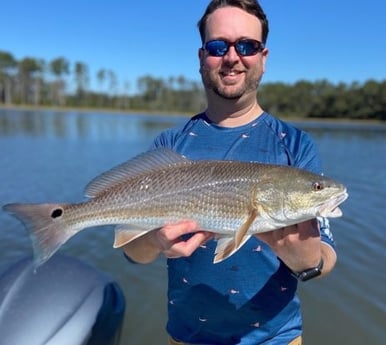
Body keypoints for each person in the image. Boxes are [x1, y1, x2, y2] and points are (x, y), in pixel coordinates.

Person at [123, 0, 337, 344]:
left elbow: (326, 257)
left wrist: (306, 261)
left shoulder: (294, 146)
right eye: (218, 46)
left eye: (247, 46)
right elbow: (132, 252)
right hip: (186, 337)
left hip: (277, 339)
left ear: (263, 59)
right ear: (202, 58)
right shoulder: (170, 144)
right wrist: (153, 240)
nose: (232, 57)